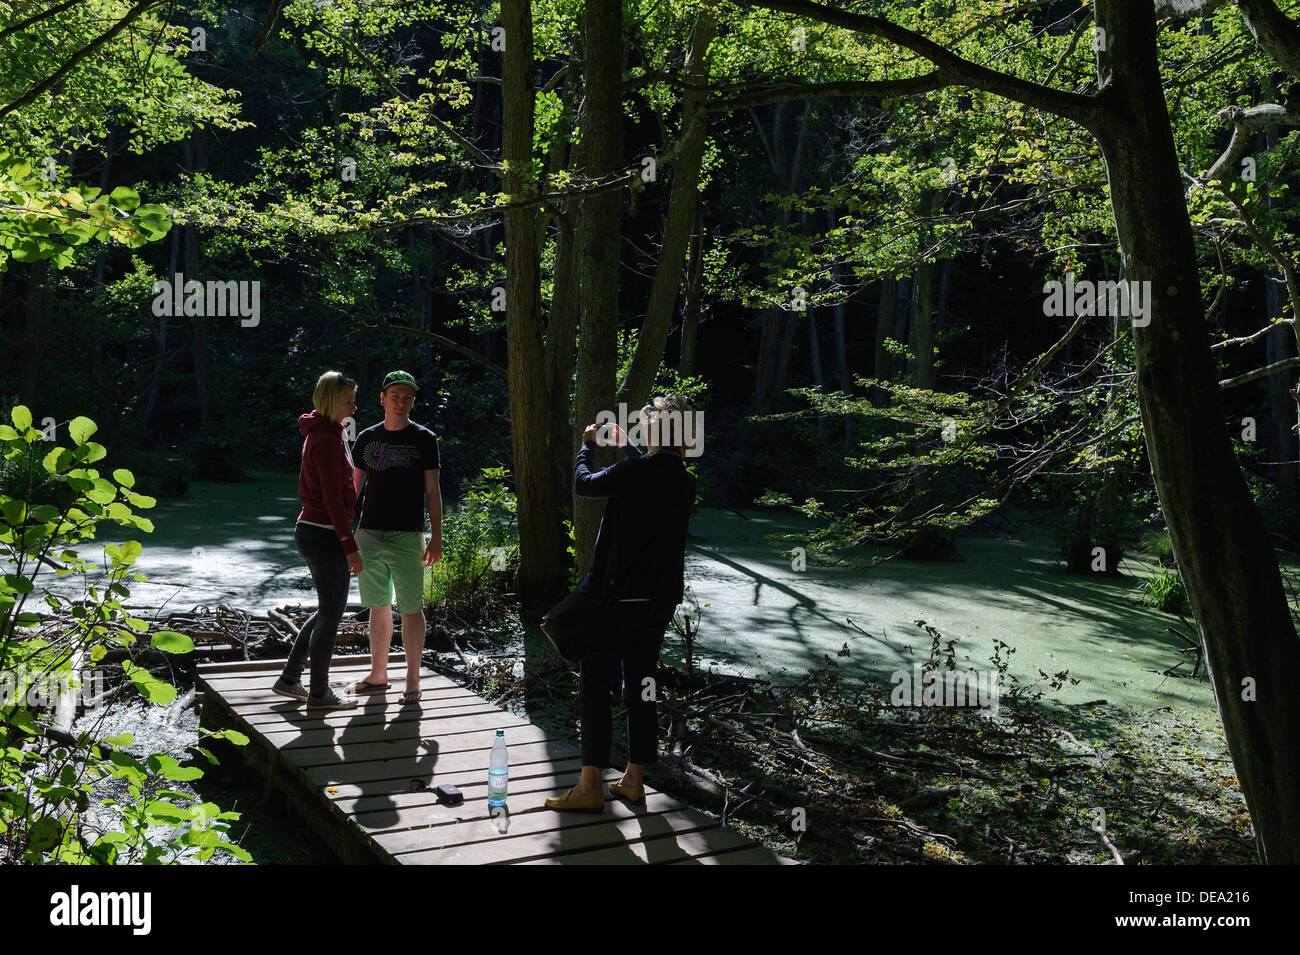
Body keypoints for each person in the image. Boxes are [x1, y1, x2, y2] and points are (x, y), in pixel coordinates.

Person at [547, 396, 697, 811]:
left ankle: (590, 786)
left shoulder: (635, 471)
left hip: (617, 600)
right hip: (660, 600)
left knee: (595, 686)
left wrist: (587, 447)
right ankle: (633, 780)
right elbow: (652, 466)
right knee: (641, 686)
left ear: (656, 432)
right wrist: (626, 443)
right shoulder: (684, 480)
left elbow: (584, 484)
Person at [348, 370, 442, 704]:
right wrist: (346, 535)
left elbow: (433, 490)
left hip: (409, 535)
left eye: (408, 397)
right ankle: (378, 674)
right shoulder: (367, 439)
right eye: (395, 395)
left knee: (412, 607)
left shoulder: (424, 439)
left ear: (413, 401)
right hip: (369, 534)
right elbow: (354, 488)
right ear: (383, 398)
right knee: (377, 605)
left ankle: (413, 680)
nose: (401, 402)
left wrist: (437, 537)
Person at [272, 371, 362, 710]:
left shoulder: (329, 433)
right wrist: (349, 545)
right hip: (323, 533)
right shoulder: (324, 440)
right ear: (330, 401)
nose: (354, 405)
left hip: (316, 530)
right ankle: (320, 693)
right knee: (332, 615)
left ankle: (290, 679)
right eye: (348, 399)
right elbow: (331, 501)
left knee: (327, 610)